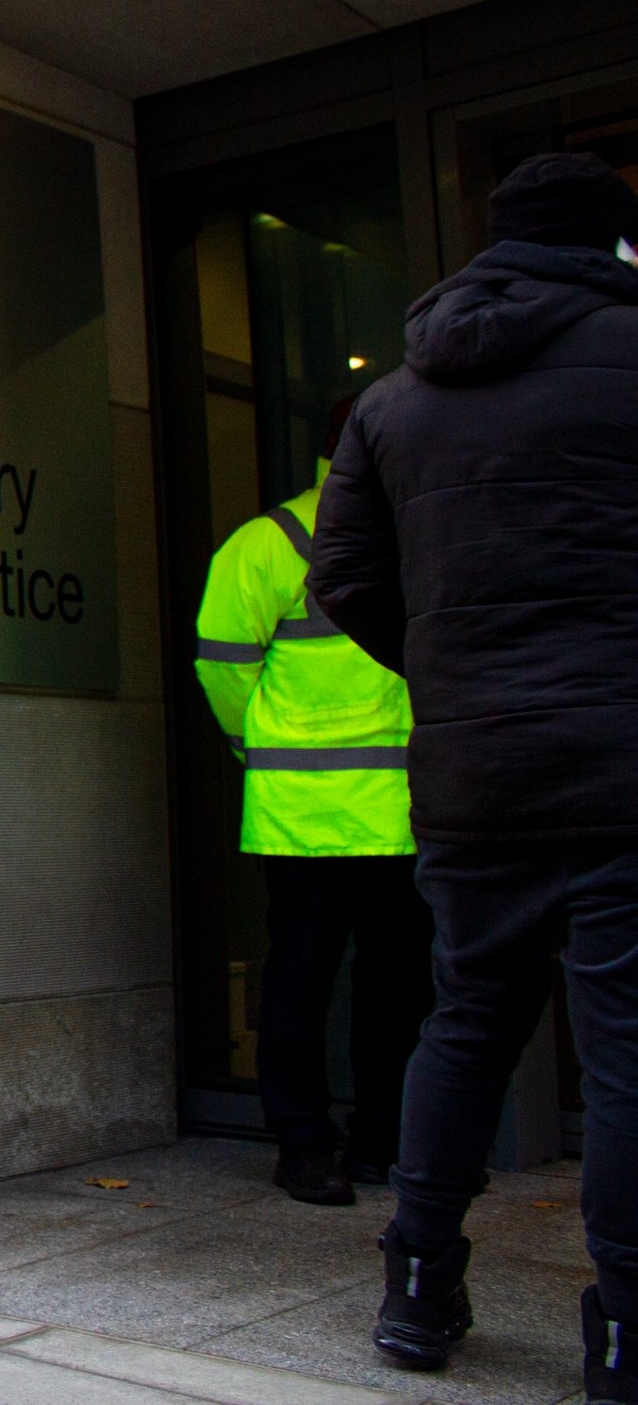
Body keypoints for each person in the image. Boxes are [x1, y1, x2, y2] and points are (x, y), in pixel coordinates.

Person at [307, 152, 638, 1396]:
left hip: (473, 768)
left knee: (467, 1020)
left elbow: (339, 576)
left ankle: (415, 1289)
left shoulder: (395, 399)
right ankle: (624, 1332)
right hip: (621, 762)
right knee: (626, 1050)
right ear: (612, 245)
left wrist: (451, 672)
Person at [195, 395, 428, 1207]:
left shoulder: (272, 542)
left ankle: (319, 1144)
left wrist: (257, 749)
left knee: (316, 983)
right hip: (368, 812)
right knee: (367, 987)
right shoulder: (388, 531)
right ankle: (349, 1139)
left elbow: (225, 669)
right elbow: (222, 665)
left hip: (340, 812)